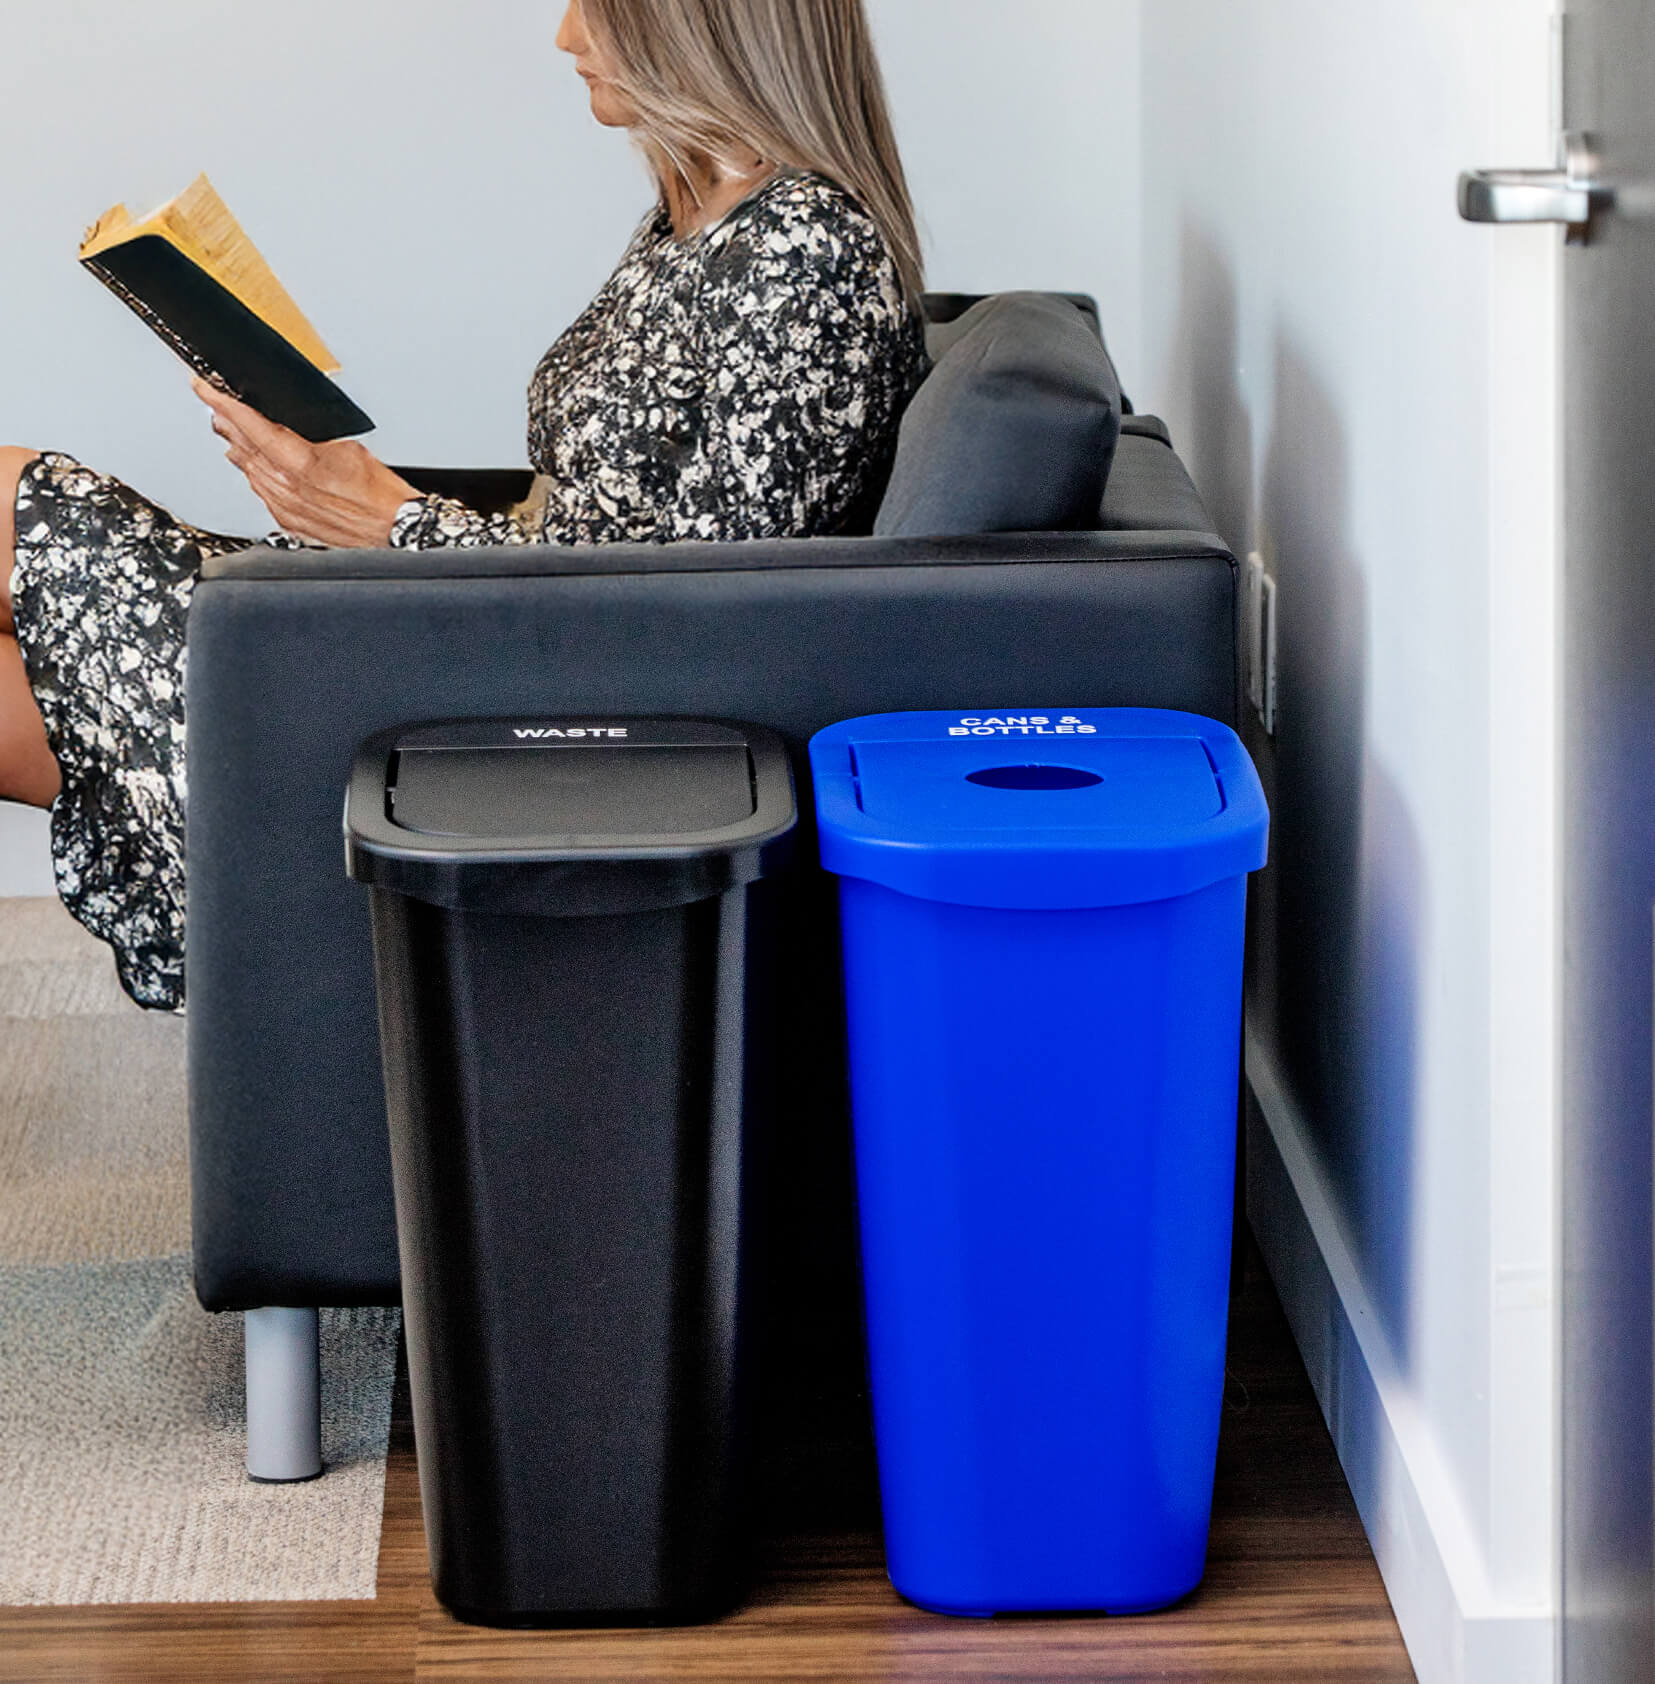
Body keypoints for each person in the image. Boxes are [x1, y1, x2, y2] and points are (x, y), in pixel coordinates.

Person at [0, 0, 929, 1012]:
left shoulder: (803, 249)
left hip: (517, 688)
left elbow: (696, 605)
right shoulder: (690, 217)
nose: (566, 36)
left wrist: (390, 520)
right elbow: (614, 536)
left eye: (598, 10)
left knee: (22, 496)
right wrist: (356, 502)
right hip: (480, 625)